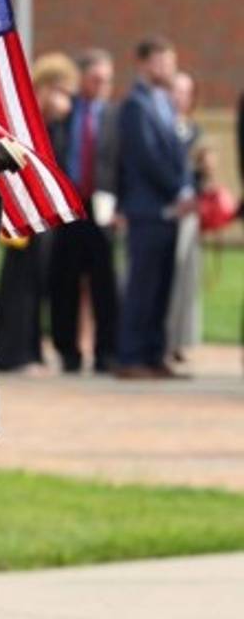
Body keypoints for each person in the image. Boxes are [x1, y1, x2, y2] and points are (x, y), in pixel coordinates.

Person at [115, 36, 193, 379]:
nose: (169, 68)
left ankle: (153, 353)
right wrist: (179, 190)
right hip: (147, 210)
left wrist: (188, 187)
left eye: (171, 62)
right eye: (163, 61)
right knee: (143, 287)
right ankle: (131, 356)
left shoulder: (163, 102)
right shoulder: (136, 105)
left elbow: (178, 151)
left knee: (162, 286)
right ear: (144, 63)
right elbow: (147, 157)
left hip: (169, 211)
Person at [0, 52, 77, 373]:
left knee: (35, 281)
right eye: (62, 92)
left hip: (44, 210)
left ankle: (29, 348)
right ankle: (13, 352)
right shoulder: (29, 121)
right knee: (20, 282)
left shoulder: (52, 125)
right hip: (25, 209)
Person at [48, 48, 120, 374]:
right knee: (64, 282)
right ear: (83, 80)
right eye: (97, 79)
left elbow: (124, 165)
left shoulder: (115, 116)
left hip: (103, 208)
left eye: (107, 79)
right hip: (69, 208)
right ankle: (68, 352)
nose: (103, 85)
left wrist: (123, 205)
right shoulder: (64, 113)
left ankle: (106, 353)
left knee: (105, 284)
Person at [165, 71, 203, 362]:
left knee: (185, 279)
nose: (179, 97)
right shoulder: (158, 125)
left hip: (188, 214)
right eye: (175, 91)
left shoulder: (195, 132)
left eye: (185, 92)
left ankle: (178, 340)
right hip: (162, 211)